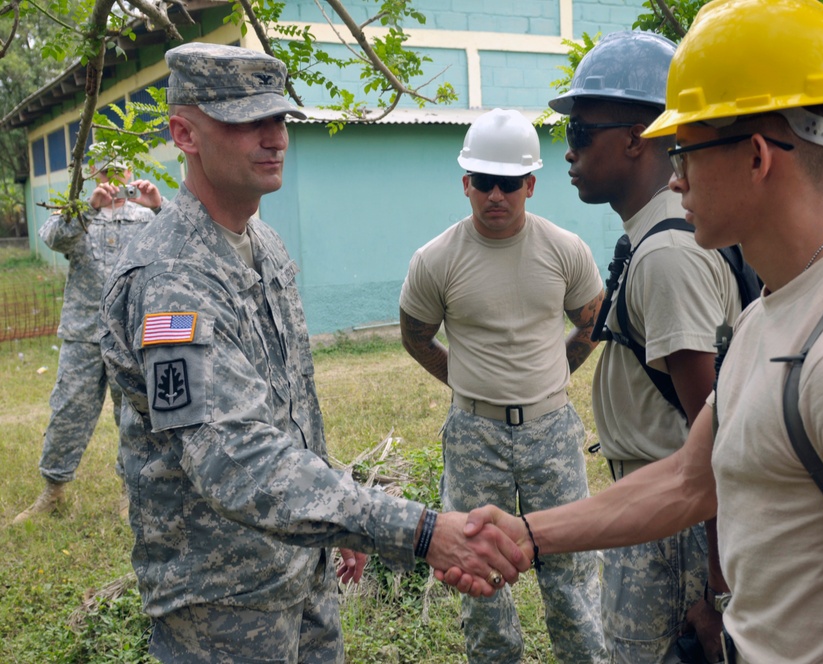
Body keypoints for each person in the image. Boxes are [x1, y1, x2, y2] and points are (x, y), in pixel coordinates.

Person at [453, 0, 823, 661]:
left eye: (688, 151)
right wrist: (528, 534)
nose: (675, 176)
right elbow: (688, 482)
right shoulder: (773, 315)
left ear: (757, 157)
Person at [99, 43, 528, 664]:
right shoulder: (170, 281)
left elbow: (291, 399)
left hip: (301, 562)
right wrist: (419, 531)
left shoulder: (265, 245)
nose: (274, 138)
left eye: (279, 119)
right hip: (224, 598)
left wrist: (338, 518)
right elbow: (233, 457)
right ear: (184, 133)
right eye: (248, 121)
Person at [548, 31, 743, 663]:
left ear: (635, 139)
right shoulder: (660, 236)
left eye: (580, 135)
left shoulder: (665, 254)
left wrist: (716, 592)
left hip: (673, 528)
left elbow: (714, 447)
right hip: (662, 506)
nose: (569, 154)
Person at [398, 107, 607, 663]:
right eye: (484, 182)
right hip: (475, 436)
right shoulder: (436, 259)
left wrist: (546, 383)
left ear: (530, 184)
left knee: (571, 571)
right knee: (479, 573)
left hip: (551, 432)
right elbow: (416, 337)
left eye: (509, 182)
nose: (496, 194)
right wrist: (471, 386)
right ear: (466, 183)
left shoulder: (564, 250)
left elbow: (592, 324)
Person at [12, 151, 162, 525]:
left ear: (130, 171)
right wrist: (88, 209)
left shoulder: (146, 217)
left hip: (128, 336)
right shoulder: (79, 216)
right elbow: (52, 238)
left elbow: (182, 235)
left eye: (119, 169)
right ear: (93, 175)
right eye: (104, 171)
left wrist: (160, 206)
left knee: (133, 416)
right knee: (68, 410)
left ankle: (133, 492)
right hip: (82, 335)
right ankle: (54, 491)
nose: (113, 177)